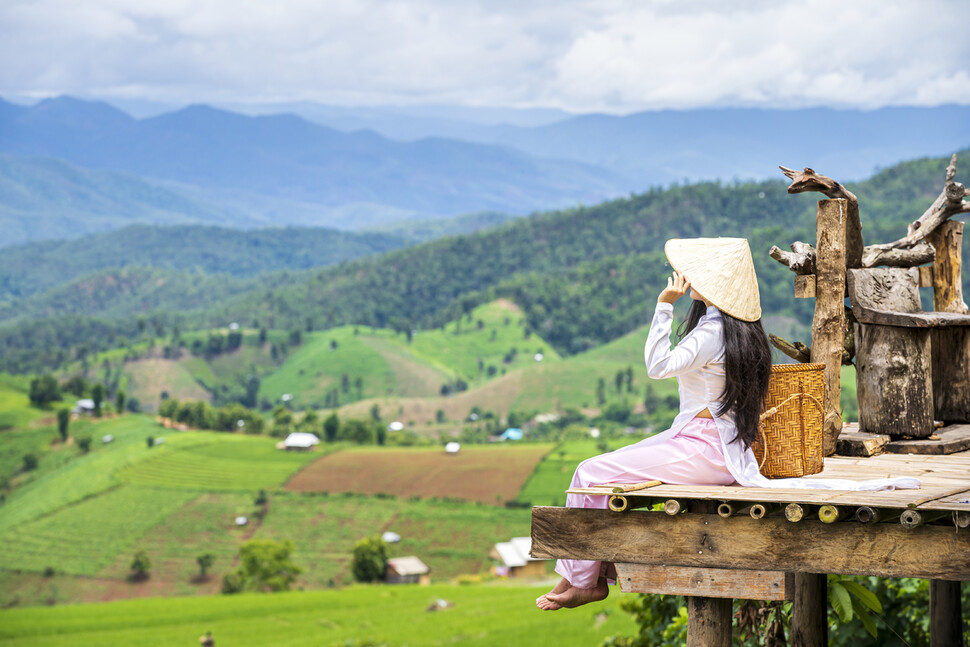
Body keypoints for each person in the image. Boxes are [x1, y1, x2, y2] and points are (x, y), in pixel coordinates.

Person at [536, 237, 918, 611]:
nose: (685, 276)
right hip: (714, 448)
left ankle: (585, 582)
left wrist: (663, 307)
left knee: (589, 471)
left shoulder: (709, 333)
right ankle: (579, 578)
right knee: (598, 471)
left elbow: (657, 367)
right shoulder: (739, 333)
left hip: (702, 450)